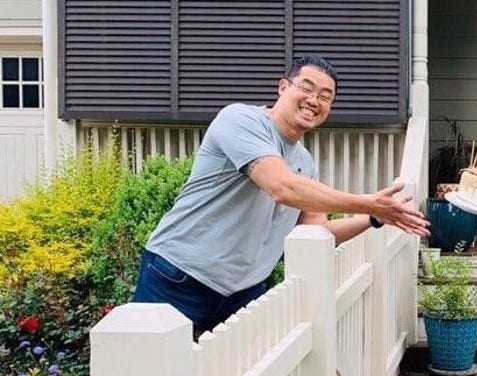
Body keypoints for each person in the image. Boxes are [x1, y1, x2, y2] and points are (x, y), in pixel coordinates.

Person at [133, 54, 429, 334]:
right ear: (283, 87)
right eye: (307, 88)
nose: (314, 100)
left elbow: (320, 230)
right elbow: (281, 187)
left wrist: (373, 217)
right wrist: (366, 201)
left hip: (242, 292)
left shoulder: (305, 163)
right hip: (178, 276)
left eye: (326, 97)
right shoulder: (240, 120)